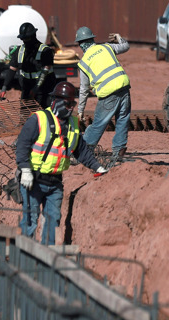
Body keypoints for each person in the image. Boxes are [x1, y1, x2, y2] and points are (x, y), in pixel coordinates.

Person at [15, 81, 107, 245]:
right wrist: (25, 169)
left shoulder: (73, 124)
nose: (71, 107)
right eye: (68, 103)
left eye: (73, 103)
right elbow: (22, 144)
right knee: (30, 219)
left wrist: (97, 166)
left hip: (55, 182)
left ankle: (46, 257)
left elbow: (81, 150)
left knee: (53, 220)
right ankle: (24, 258)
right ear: (56, 101)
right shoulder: (39, 119)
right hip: (33, 180)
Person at [75, 26, 131, 162]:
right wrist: (119, 38)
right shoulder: (107, 47)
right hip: (123, 87)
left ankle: (84, 151)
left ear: (80, 44)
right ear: (92, 39)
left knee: (99, 124)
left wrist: (80, 110)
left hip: (108, 94)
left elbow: (83, 89)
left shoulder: (84, 62)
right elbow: (125, 46)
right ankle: (119, 151)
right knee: (123, 120)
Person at [0, 22, 56, 107]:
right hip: (27, 89)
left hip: (45, 90)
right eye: (23, 39)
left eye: (27, 38)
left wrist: (36, 88)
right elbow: (12, 69)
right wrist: (4, 87)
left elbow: (45, 71)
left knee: (46, 115)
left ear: (33, 36)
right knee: (25, 116)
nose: (25, 41)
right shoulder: (19, 51)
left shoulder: (45, 51)